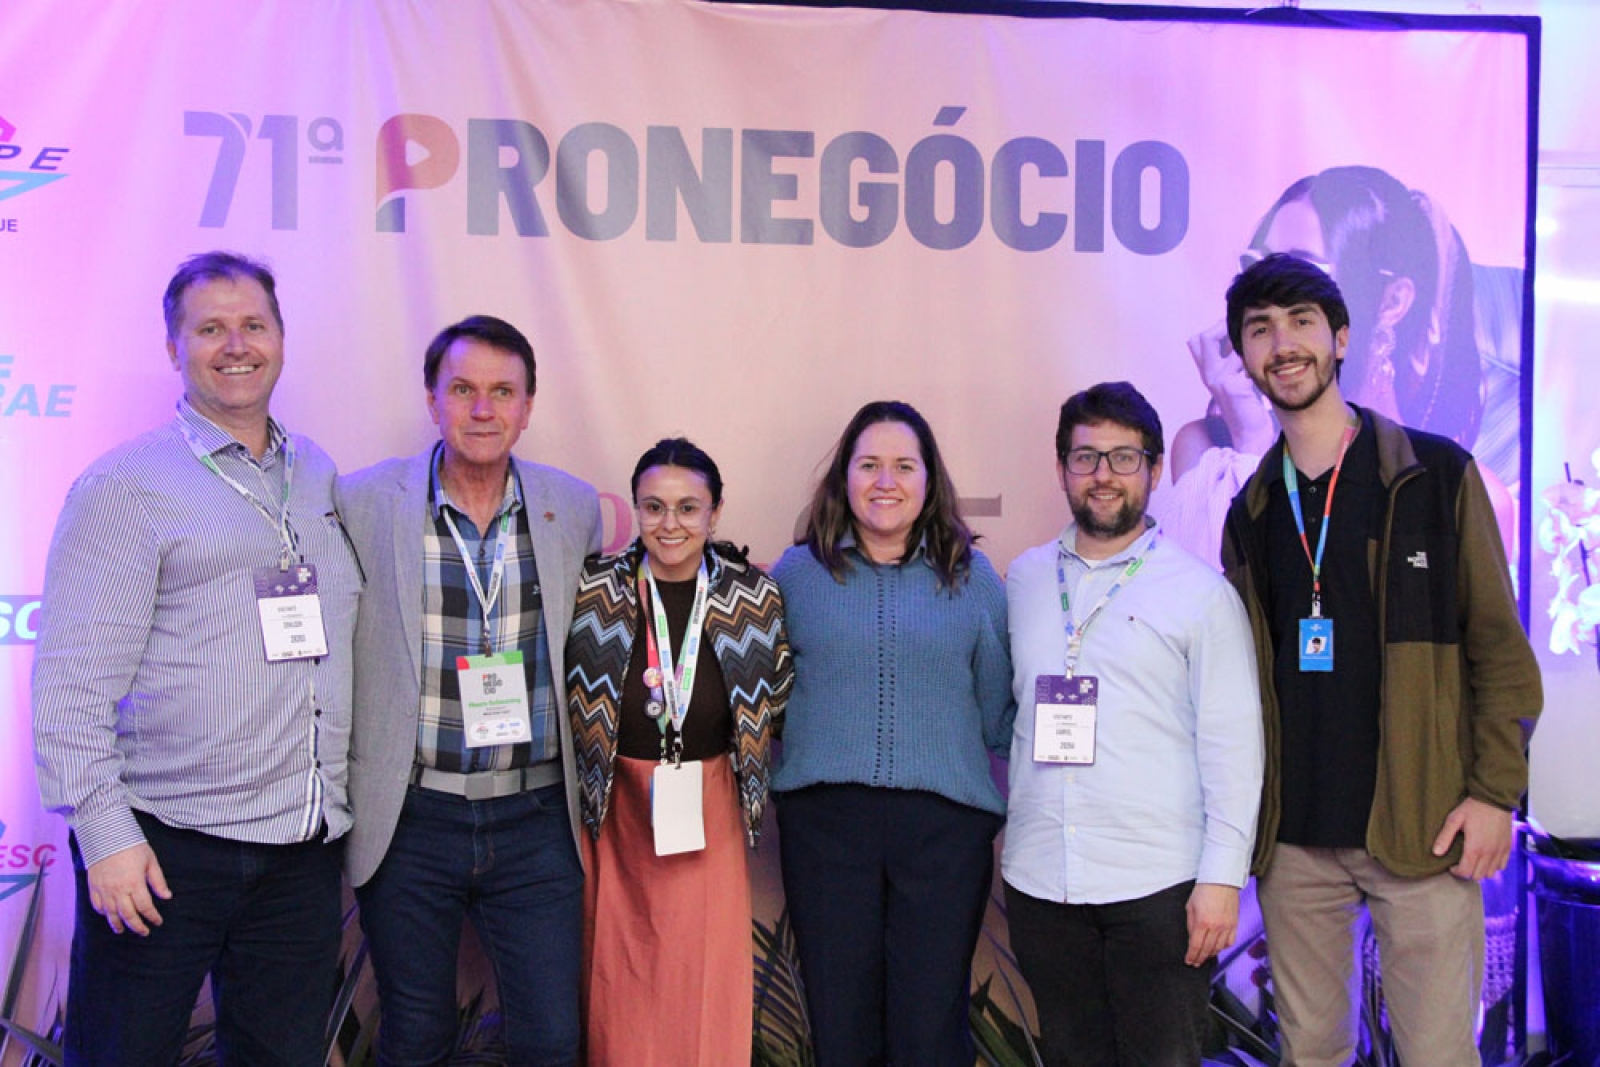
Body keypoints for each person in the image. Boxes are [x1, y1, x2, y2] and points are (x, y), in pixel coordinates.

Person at [31, 251, 361, 1064]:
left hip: (299, 853)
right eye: (210, 328)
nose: (236, 345)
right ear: (173, 346)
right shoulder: (126, 485)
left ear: (281, 338)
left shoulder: (316, 472)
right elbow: (70, 686)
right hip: (164, 849)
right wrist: (106, 836)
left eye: (253, 325)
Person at [1219, 254, 1541, 1066]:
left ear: (1341, 338)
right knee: (1311, 1054)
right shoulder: (1251, 509)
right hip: (1295, 841)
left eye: (1300, 322)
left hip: (1422, 825)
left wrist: (1494, 794)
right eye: (1260, 330)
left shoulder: (1436, 475)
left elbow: (1500, 649)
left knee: (1439, 1053)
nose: (1282, 345)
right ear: (1244, 356)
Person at [338, 315, 601, 1066]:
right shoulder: (364, 501)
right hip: (411, 817)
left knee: (551, 1038)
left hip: (535, 818)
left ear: (528, 406)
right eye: (462, 390)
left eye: (502, 392)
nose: (483, 409)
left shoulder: (571, 507)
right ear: (432, 400)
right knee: (415, 1034)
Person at [1003, 381, 1263, 1066]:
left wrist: (1222, 880)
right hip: (1042, 881)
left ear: (1154, 468)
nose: (1103, 475)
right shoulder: (1024, 580)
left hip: (1159, 890)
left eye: (1124, 458)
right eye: (1085, 457)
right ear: (1061, 468)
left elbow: (1234, 748)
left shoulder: (1200, 593)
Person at [771, 400, 1015, 1066]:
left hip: (944, 834)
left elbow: (1000, 714)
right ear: (843, 476)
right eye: (869, 464)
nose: (886, 481)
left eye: (904, 466)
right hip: (826, 828)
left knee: (928, 1030)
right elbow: (763, 701)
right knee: (841, 1026)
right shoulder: (796, 575)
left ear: (929, 480)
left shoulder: (973, 577)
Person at [564, 437, 793, 1064]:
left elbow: (778, 696)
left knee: (704, 973)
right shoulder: (595, 589)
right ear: (636, 510)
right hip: (613, 808)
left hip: (709, 801)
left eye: (688, 508)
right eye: (654, 507)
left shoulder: (754, 596)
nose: (671, 524)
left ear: (714, 512)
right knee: (618, 974)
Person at [1164, 165, 1499, 568]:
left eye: (1303, 274)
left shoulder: (1454, 481)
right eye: (1257, 266)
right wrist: (1251, 441)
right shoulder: (1210, 454)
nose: (1270, 299)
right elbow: (1232, 594)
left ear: (1392, 302)